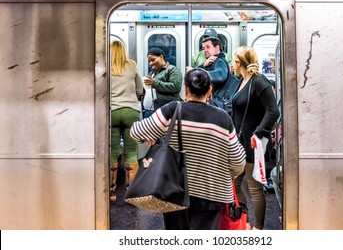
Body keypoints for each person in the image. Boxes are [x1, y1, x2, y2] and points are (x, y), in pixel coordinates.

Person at [130, 68, 246, 230]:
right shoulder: (222, 118)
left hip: (174, 190)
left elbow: (136, 132)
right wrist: (227, 175)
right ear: (209, 91)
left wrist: (155, 133)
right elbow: (238, 162)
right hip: (212, 193)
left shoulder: (173, 110)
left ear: (185, 90)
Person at [231, 46, 280, 230]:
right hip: (240, 143)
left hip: (254, 143)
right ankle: (246, 223)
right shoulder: (241, 81)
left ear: (240, 63)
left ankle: (258, 229)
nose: (232, 64)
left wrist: (259, 132)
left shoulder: (259, 81)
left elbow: (273, 111)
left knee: (254, 188)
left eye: (234, 61)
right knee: (234, 184)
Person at [110, 40, 143, 202]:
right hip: (131, 112)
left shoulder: (105, 67)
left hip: (112, 112)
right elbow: (140, 89)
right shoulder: (131, 65)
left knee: (113, 153)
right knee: (131, 152)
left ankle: (110, 192)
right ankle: (132, 193)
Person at [196, 36, 239, 115]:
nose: (205, 50)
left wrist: (200, 73)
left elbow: (220, 75)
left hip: (221, 105)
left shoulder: (219, 61)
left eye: (208, 47)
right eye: (203, 48)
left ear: (217, 47)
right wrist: (203, 66)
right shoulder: (211, 62)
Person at [141, 47, 183, 118]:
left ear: (161, 57)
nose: (150, 63)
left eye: (153, 60)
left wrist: (154, 83)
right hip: (148, 111)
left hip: (164, 111)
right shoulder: (152, 73)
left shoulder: (172, 70)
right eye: (149, 61)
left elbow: (176, 86)